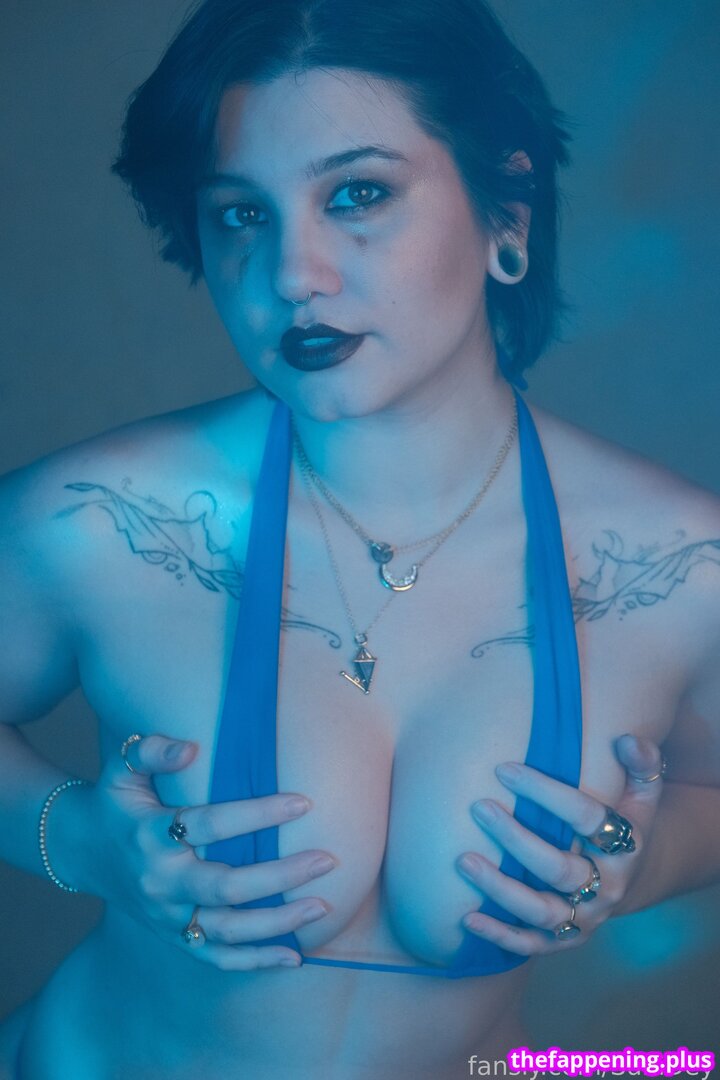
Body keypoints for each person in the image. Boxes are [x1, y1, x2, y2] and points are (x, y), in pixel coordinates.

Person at [1, 0, 719, 1076]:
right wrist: (74, 840)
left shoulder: (679, 565)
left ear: (507, 209)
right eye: (241, 213)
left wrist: (646, 860)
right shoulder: (100, 519)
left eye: (359, 194)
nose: (294, 273)